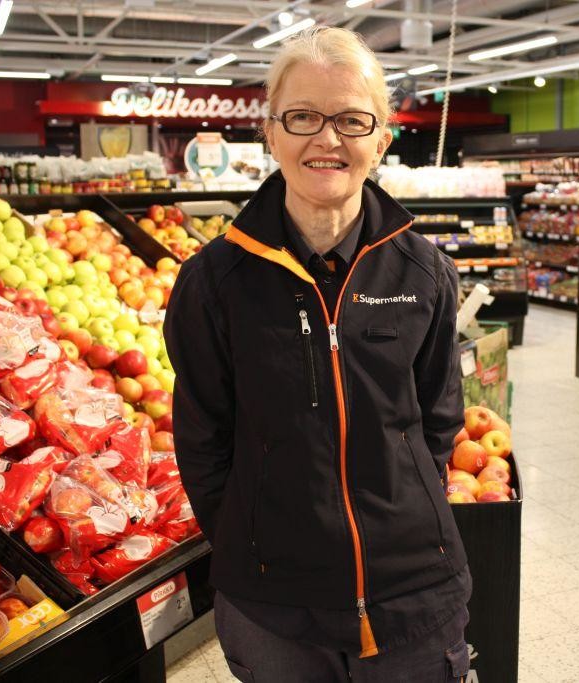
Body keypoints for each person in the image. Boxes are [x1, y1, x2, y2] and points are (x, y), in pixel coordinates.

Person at [163, 26, 472, 683]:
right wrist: (251, 545)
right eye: (302, 116)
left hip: (413, 599)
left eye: (352, 119)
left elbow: (440, 422)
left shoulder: (424, 272)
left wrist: (403, 520)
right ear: (271, 132)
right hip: (273, 610)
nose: (326, 139)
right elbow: (202, 439)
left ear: (381, 139)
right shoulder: (215, 282)